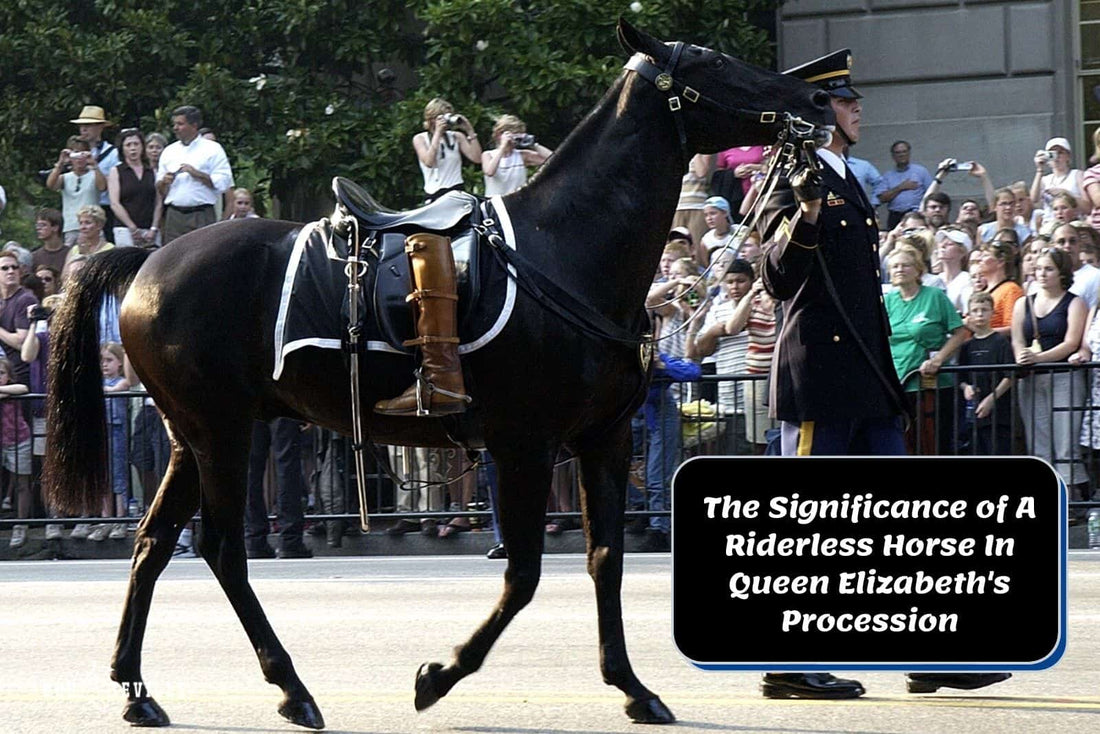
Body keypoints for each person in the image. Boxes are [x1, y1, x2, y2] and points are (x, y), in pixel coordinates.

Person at [762, 48, 1008, 699]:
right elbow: (777, 278)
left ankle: (931, 655)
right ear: (818, 111)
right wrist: (805, 215)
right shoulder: (793, 176)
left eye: (853, 99)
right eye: (844, 101)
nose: (857, 108)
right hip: (819, 375)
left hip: (865, 376)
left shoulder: (847, 177)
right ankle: (788, 661)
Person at [1013, 247, 1089, 495]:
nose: (1042, 274)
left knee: (1065, 438)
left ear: (1061, 272)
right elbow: (1016, 339)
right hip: (1031, 379)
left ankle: (1069, 493)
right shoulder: (1023, 303)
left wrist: (1038, 358)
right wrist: (1022, 356)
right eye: (1038, 269)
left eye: (1049, 269)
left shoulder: (1074, 302)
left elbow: (1071, 342)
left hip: (1064, 377)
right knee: (1038, 438)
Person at [884, 245, 968, 454]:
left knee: (932, 444)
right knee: (902, 444)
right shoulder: (887, 301)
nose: (900, 269)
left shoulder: (934, 296)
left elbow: (960, 332)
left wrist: (939, 359)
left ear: (918, 269)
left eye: (906, 265)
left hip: (930, 385)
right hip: (897, 383)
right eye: (895, 266)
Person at [156, 106, 234, 244]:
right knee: (173, 257)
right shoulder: (169, 151)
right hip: (174, 215)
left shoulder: (212, 149)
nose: (175, 128)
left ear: (194, 125)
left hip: (201, 214)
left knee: (203, 255)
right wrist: (164, 182)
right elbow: (160, 190)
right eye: (174, 124)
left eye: (180, 124)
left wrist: (197, 174)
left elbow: (223, 183)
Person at [244, 419, 313, 559]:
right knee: (287, 466)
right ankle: (290, 539)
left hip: (249, 404)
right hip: (281, 405)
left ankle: (254, 539)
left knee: (250, 471)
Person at [958, 291, 1014, 455]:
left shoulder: (1001, 342)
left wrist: (991, 399)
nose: (980, 314)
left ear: (992, 313)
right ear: (969, 314)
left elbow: (1009, 375)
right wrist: (966, 388)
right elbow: (960, 377)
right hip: (973, 412)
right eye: (975, 310)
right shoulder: (967, 346)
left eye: (984, 309)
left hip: (999, 413)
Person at [413, 98, 481, 201]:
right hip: (435, 194)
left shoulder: (456, 137)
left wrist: (470, 131)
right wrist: (437, 134)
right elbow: (429, 162)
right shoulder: (420, 139)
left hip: (457, 190)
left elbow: (477, 158)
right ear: (432, 119)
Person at [97, 342, 131, 541]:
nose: (105, 365)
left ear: (119, 362)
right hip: (102, 432)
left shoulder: (122, 382)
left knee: (118, 475)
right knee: (104, 475)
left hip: (117, 431)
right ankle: (105, 518)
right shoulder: (100, 381)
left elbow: (118, 388)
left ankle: (120, 518)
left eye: (109, 360)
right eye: (102, 361)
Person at [70, 105, 119, 237]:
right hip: (79, 208)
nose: (84, 129)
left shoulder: (112, 153)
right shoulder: (74, 152)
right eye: (81, 126)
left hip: (103, 207)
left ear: (100, 127)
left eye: (89, 125)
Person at [46, 136, 105, 246]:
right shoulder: (65, 177)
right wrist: (60, 163)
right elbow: (51, 185)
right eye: (76, 153)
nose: (80, 158)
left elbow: (102, 187)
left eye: (83, 153)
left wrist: (94, 164)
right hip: (71, 227)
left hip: (93, 228)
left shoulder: (95, 175)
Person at [108, 128, 161, 247]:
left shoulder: (152, 171)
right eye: (128, 145)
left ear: (142, 147)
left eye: (136, 144)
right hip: (125, 229)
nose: (133, 148)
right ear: (122, 148)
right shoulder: (116, 171)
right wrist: (132, 228)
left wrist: (154, 228)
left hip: (149, 229)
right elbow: (115, 203)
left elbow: (158, 202)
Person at [0, 358, 31, 548]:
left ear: (9, 376)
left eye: (1, 373)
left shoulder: (13, 388)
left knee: (22, 483)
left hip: (19, 440)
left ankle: (21, 524)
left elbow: (23, 389)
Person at [480, 114, 552, 197]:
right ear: (499, 135)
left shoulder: (522, 155)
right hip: (495, 202)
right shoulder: (488, 155)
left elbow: (554, 159)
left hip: (518, 202)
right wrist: (503, 147)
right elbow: (489, 172)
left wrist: (534, 145)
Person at [877, 140, 933, 229]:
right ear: (893, 156)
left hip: (916, 215)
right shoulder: (888, 176)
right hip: (895, 217)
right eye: (897, 152)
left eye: (904, 151)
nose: (901, 154)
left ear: (909, 153)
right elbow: (882, 198)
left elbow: (931, 195)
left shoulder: (921, 171)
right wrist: (901, 187)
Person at [1031, 136, 1083, 232]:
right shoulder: (1045, 180)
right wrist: (1039, 169)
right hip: (1049, 226)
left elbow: (1087, 206)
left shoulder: (1077, 175)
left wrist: (1065, 193)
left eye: (1060, 152)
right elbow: (1034, 199)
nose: (1057, 157)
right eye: (1052, 154)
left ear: (1068, 156)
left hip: (1072, 225)